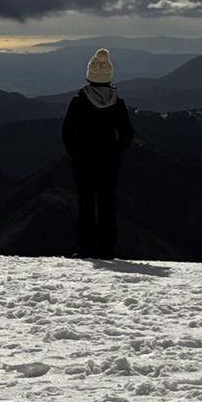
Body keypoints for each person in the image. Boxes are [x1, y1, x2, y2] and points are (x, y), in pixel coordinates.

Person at [62, 49, 134, 259]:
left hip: (83, 163)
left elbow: (67, 132)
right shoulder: (117, 103)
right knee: (107, 204)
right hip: (109, 164)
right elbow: (127, 134)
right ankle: (107, 250)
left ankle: (85, 249)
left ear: (89, 75)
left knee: (85, 204)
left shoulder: (79, 101)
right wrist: (114, 150)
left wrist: (76, 153)